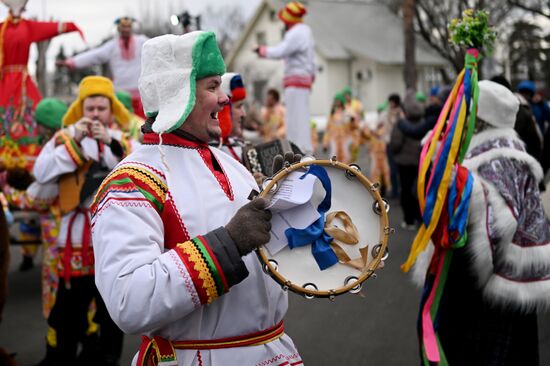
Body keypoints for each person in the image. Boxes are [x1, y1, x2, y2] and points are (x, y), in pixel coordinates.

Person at [91, 31, 302, 366]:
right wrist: (227, 245)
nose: (225, 99)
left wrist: (296, 208)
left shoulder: (233, 166)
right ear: (180, 94)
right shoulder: (130, 181)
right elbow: (128, 301)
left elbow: (270, 263)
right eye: (212, 87)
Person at [411, 80, 550, 364]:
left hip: (482, 298)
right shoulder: (511, 157)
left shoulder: (491, 164)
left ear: (476, 118)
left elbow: (494, 231)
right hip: (505, 290)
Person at [33, 76, 130, 366]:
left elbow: (136, 166)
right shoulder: (63, 138)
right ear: (81, 109)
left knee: (111, 313)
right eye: (91, 108)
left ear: (111, 112)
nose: (96, 115)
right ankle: (63, 355)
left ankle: (106, 357)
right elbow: (41, 172)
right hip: (74, 241)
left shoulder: (122, 139)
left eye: (102, 108)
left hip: (111, 241)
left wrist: (110, 142)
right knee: (69, 312)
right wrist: (74, 141)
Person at [0, 0, 81, 170]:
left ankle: (32, 160)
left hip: (22, 82)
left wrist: (72, 26)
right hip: (4, 81)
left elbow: (52, 27)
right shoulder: (2, 28)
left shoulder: (28, 27)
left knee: (35, 115)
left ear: (24, 6)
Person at [254, 1, 315, 153]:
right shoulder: (306, 32)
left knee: (295, 120)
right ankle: (302, 148)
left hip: (295, 82)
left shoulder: (296, 33)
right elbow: (312, 60)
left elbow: (281, 51)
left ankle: (299, 150)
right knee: (301, 118)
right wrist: (311, 76)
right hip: (302, 80)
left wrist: (262, 50)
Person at [59, 17, 148, 118]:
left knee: (141, 123)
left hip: (141, 94)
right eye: (123, 27)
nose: (126, 29)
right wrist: (72, 62)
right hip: (119, 93)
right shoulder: (112, 46)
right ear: (119, 29)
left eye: (128, 27)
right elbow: (94, 55)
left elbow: (156, 48)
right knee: (121, 122)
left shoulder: (142, 42)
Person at [389, 90, 422, 230]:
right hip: (419, 161)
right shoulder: (424, 122)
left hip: (404, 163)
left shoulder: (401, 124)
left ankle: (408, 221)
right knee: (419, 190)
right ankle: (420, 218)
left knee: (406, 191)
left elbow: (395, 144)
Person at [215, 72, 247, 162]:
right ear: (224, 111)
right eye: (239, 106)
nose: (244, 114)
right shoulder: (213, 152)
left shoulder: (238, 145)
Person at [322, 92, 359, 164]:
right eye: (335, 101)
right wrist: (325, 144)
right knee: (334, 159)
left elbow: (354, 127)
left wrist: (352, 121)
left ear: (341, 102)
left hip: (345, 140)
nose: (336, 103)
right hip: (334, 140)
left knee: (346, 159)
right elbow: (328, 130)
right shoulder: (332, 115)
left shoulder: (348, 112)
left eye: (338, 101)